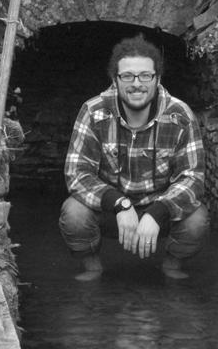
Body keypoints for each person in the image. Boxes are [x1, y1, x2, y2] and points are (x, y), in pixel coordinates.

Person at [59, 34, 209, 281]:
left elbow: (193, 179)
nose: (136, 83)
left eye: (145, 76)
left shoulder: (179, 114)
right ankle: (92, 267)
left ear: (157, 79)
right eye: (127, 76)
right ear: (115, 80)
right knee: (74, 213)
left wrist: (158, 211)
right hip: (111, 211)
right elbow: (77, 174)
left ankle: (172, 266)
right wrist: (119, 204)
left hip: (161, 212)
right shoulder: (94, 111)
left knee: (197, 220)